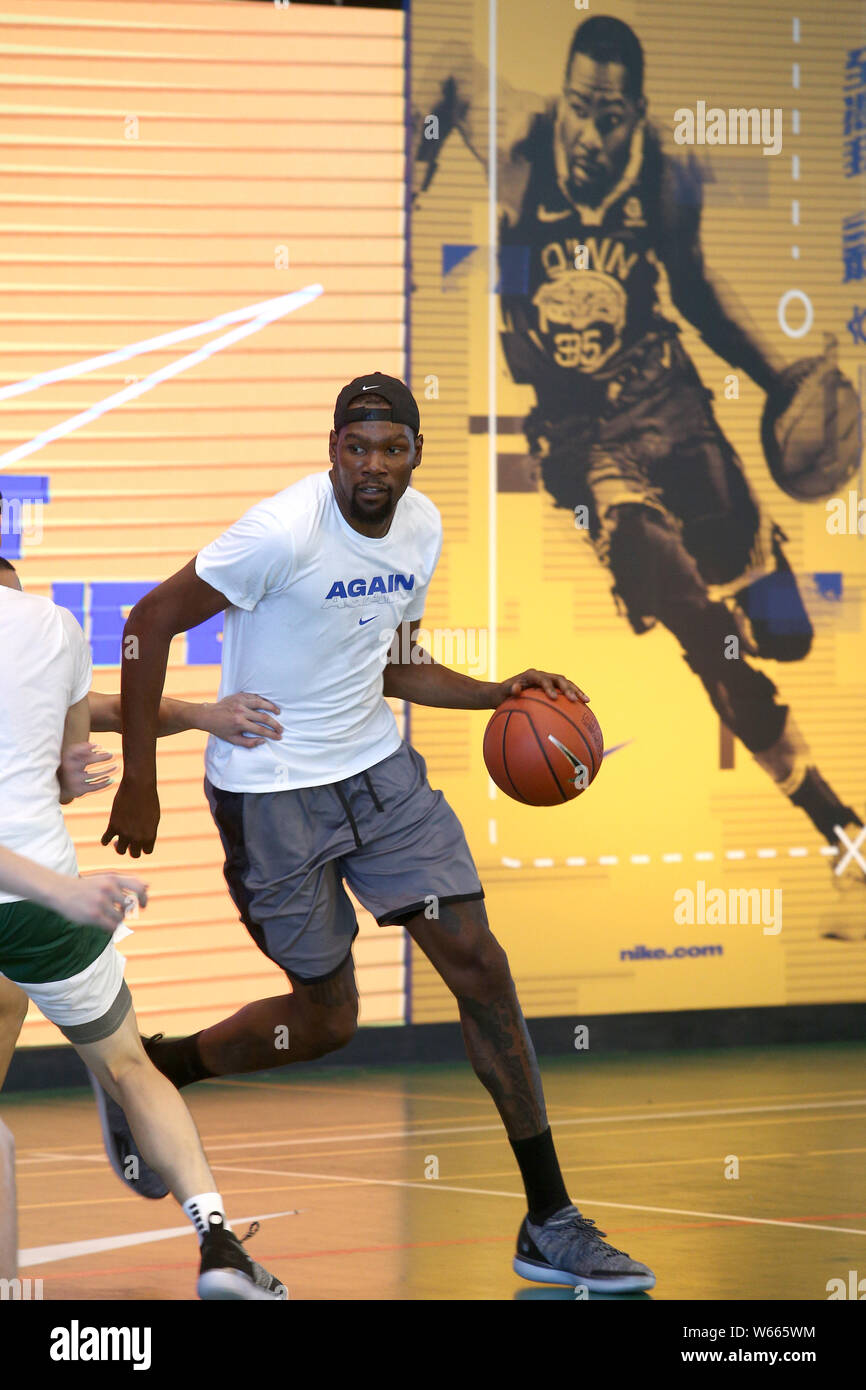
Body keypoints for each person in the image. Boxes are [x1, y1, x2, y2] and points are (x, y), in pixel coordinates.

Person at [99, 370, 655, 1293]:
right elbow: (145, 623)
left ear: (415, 455)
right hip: (272, 792)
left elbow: (391, 661)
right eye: (356, 448)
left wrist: (495, 692)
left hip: (379, 776)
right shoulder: (281, 531)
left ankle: (550, 1216)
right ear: (331, 452)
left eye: (391, 449)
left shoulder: (422, 525)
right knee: (327, 1024)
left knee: (481, 964)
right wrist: (143, 785)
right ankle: (158, 1071)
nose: (373, 466)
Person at [412, 14, 865, 934]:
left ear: (637, 116)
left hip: (672, 405)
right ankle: (835, 818)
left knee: (782, 637)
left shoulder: (665, 176)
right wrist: (417, 154)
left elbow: (692, 289)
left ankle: (739, 596)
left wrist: (781, 376)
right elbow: (455, 69)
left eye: (609, 116)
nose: (589, 131)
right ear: (564, 102)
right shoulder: (518, 145)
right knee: (695, 619)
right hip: (581, 440)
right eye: (579, 108)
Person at [0, 579, 287, 1298]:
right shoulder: (54, 624)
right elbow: (74, 770)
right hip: (44, 905)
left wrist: (196, 715)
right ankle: (217, 1240)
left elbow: (85, 740)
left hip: (41, 897)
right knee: (131, 1064)